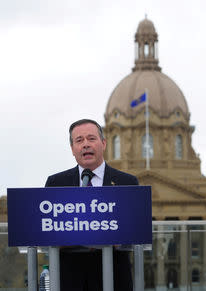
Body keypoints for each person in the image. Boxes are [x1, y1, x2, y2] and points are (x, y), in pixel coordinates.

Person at [45, 119, 138, 291]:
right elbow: (48, 232)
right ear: (72, 149)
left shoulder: (127, 182)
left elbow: (135, 231)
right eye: (79, 140)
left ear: (103, 143)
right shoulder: (56, 183)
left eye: (91, 139)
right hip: (71, 279)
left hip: (114, 277)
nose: (86, 145)